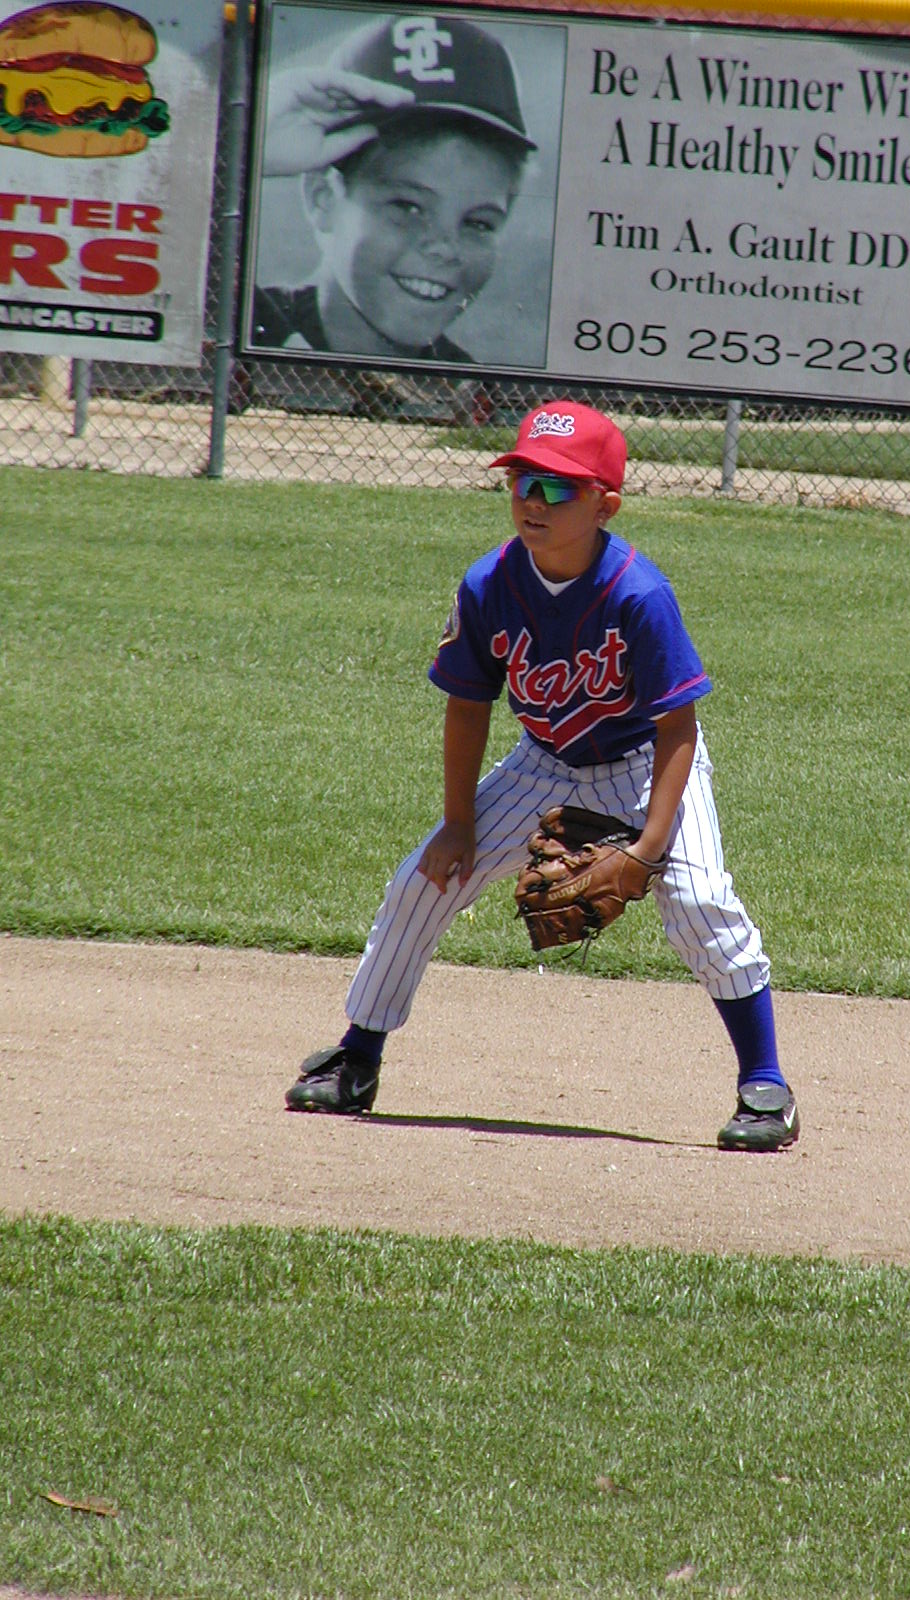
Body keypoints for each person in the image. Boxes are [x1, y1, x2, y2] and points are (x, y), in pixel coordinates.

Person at [285, 400, 798, 1153]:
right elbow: (468, 707)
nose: (533, 499)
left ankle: (766, 1085)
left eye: (557, 487)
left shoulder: (639, 595)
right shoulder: (489, 583)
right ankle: (357, 1057)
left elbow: (677, 730)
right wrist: (458, 823)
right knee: (423, 882)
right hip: (542, 764)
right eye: (522, 480)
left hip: (644, 766)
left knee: (698, 901)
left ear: (605, 505)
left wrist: (648, 848)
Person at [251, 13, 535, 361]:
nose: (444, 248)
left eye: (478, 223)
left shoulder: (469, 386)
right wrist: (243, 144)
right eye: (408, 207)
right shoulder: (242, 321)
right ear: (322, 198)